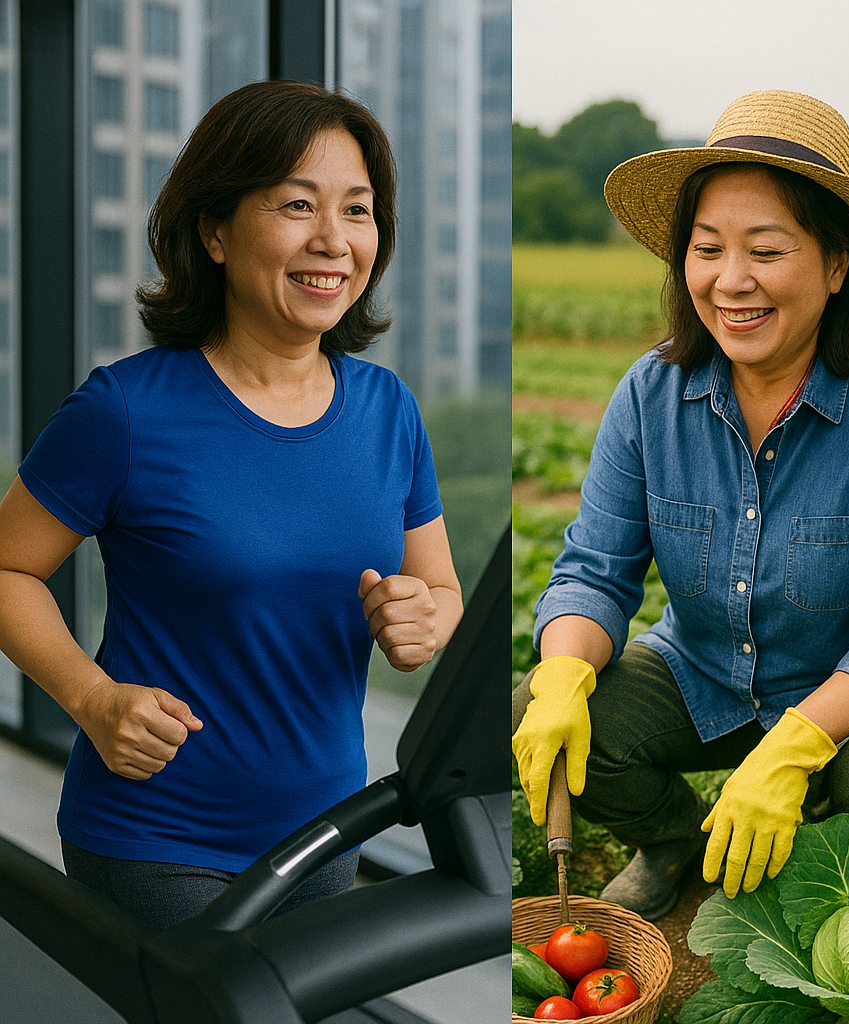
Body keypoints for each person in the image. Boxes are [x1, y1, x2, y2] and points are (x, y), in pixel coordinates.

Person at [0, 80, 462, 928]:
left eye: (357, 211)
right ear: (214, 230)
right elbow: (7, 568)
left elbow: (440, 591)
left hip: (328, 837)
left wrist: (421, 620)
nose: (333, 239)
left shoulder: (388, 409)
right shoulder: (125, 411)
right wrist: (92, 699)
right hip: (155, 839)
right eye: (296, 204)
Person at [512, 90, 849, 920]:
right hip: (708, 673)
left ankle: (835, 857)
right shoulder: (652, 393)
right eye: (707, 249)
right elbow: (596, 571)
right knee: (549, 715)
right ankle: (675, 841)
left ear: (838, 266)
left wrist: (799, 744)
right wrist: (563, 669)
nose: (731, 282)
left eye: (766, 250)